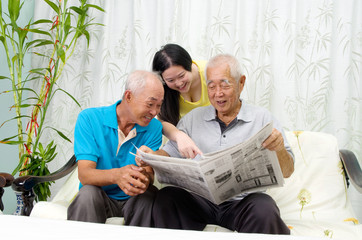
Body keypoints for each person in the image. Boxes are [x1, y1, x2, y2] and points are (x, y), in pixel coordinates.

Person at [140, 54, 295, 234]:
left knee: (265, 207)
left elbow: (288, 171)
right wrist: (150, 156)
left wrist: (279, 149)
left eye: (224, 84)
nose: (218, 93)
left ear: (241, 83)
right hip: (199, 202)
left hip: (242, 204)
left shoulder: (263, 119)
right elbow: (168, 154)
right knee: (167, 198)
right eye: (212, 86)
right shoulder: (192, 120)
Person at [67, 70, 164, 227]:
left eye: (159, 105)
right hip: (99, 196)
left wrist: (144, 177)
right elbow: (85, 175)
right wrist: (118, 175)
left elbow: (149, 176)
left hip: (134, 200)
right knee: (87, 194)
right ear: (128, 96)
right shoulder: (89, 118)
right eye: (150, 104)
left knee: (148, 196)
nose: (155, 112)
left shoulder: (154, 127)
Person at [152, 43, 209, 158]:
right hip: (181, 146)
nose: (178, 83)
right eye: (170, 80)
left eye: (182, 76)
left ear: (189, 65)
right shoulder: (163, 88)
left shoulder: (209, 74)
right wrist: (179, 136)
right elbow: (162, 121)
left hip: (210, 143)